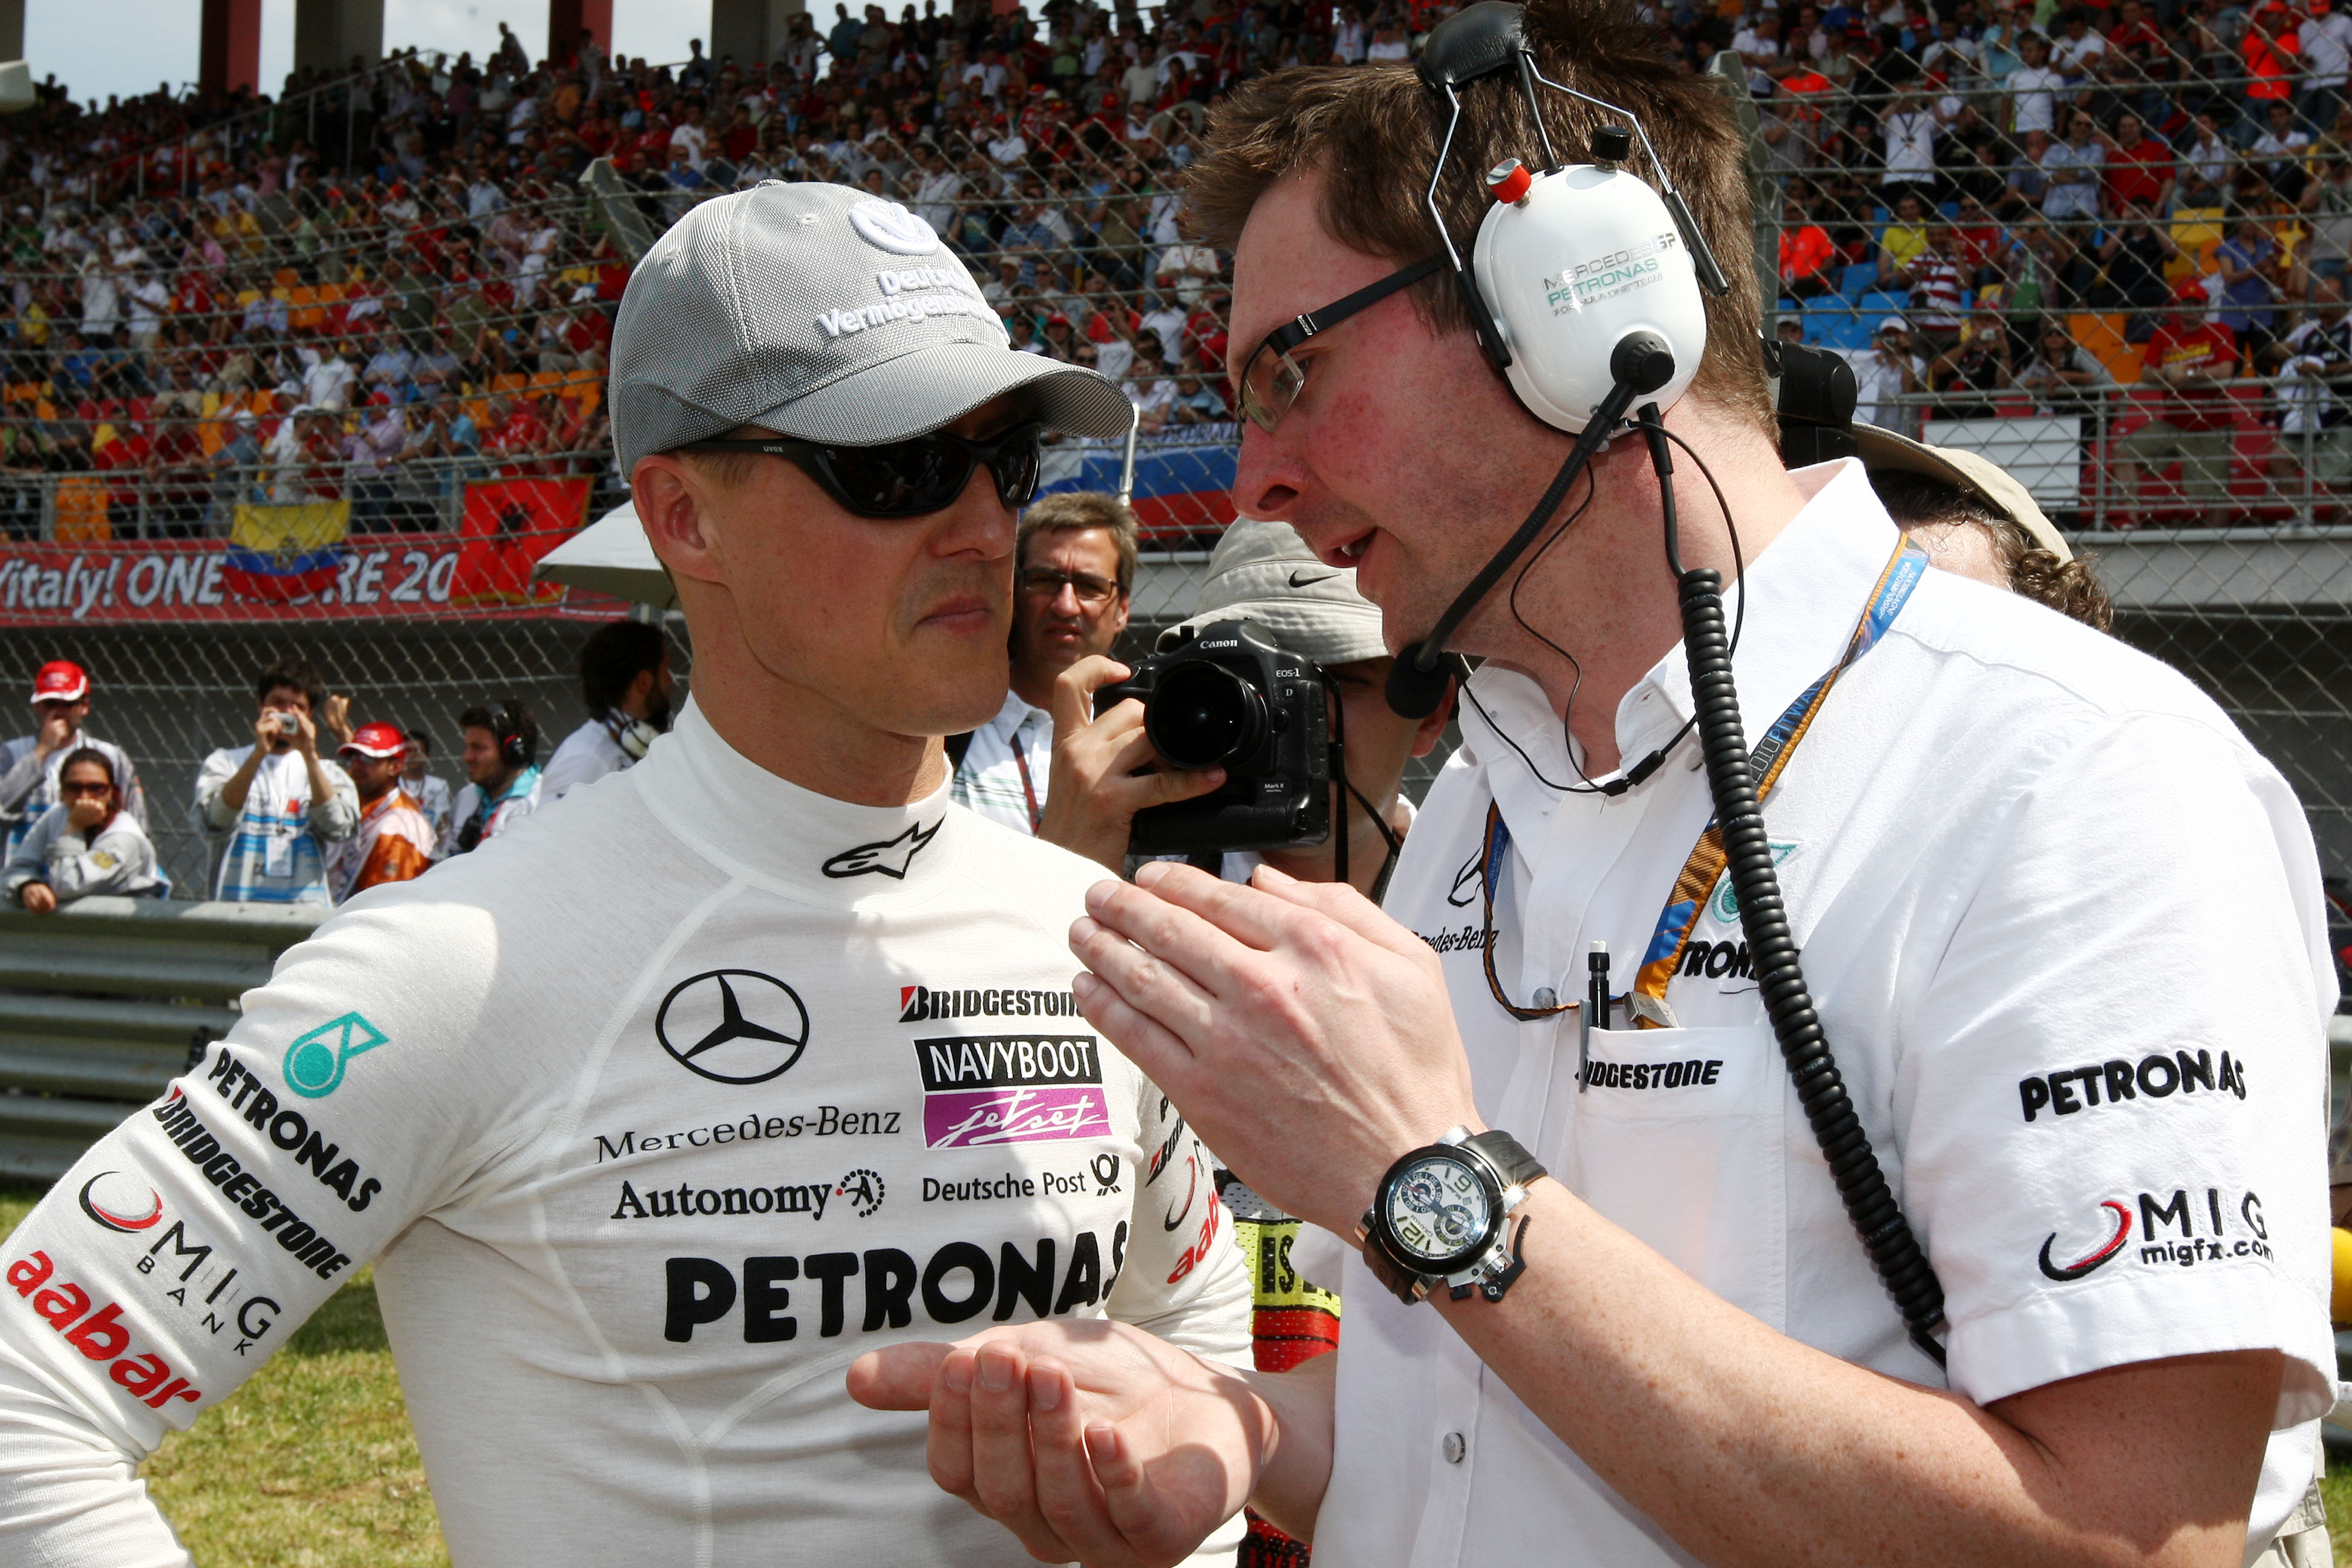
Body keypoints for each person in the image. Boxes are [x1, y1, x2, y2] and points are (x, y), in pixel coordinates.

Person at [850, 9, 2334, 1568]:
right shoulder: (1491, 795)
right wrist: (1235, 1431)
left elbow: (2129, 1538)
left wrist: (1433, 1187)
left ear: (1572, 304)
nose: (1262, 475)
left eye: (1291, 370)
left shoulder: (2070, 775)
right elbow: (1482, 1417)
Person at [0, 180, 1247, 1566]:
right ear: (683, 518)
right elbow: (24, 1399)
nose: (974, 528)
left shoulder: (1078, 932)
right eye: (890, 467)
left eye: (1002, 463)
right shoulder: (462, 961)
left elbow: (1194, 1333)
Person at [952, 492, 1151, 834]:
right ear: (1014, 591)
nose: (1066, 606)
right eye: (1045, 581)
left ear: (1123, 611)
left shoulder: (1148, 738)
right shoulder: (948, 726)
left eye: (1090, 586)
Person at [191, 658, 359, 906]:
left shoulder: (326, 772)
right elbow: (216, 820)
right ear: (261, 705)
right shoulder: (225, 762)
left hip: (304, 915)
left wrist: (309, 754)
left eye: (298, 707)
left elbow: (339, 828)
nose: (287, 713)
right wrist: (258, 753)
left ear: (309, 714)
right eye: (278, 703)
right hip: (235, 911)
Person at [0, 660, 145, 863]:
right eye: (51, 704)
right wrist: (42, 750)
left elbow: (134, 819)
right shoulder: (11, 754)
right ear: (37, 707)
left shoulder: (110, 756)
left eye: (68, 705)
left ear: (84, 706)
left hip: (86, 871)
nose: (59, 713)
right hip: (21, 871)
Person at [2, 747, 160, 910]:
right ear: (61, 793)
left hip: (123, 929)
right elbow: (15, 869)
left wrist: (74, 829)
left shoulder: (123, 837)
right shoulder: (57, 814)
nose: (84, 798)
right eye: (74, 788)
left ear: (111, 793)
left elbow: (66, 886)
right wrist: (27, 886)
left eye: (96, 788)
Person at [539, 621, 676, 800]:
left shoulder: (621, 748)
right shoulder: (585, 758)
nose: (670, 681)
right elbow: (551, 828)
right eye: (665, 671)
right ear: (644, 682)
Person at [322, 723, 438, 903]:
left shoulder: (399, 827)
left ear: (396, 766)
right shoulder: (368, 803)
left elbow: (385, 906)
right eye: (353, 757)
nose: (357, 766)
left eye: (369, 759)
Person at [448, 700, 543, 854]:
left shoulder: (540, 802)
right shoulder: (466, 796)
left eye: (478, 748)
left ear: (513, 751)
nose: (466, 757)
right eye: (467, 747)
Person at [397, 725, 453, 843]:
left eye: (418, 751)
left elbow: (442, 821)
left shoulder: (439, 785)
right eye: (408, 751)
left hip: (429, 843)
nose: (413, 755)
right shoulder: (393, 784)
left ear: (427, 756)